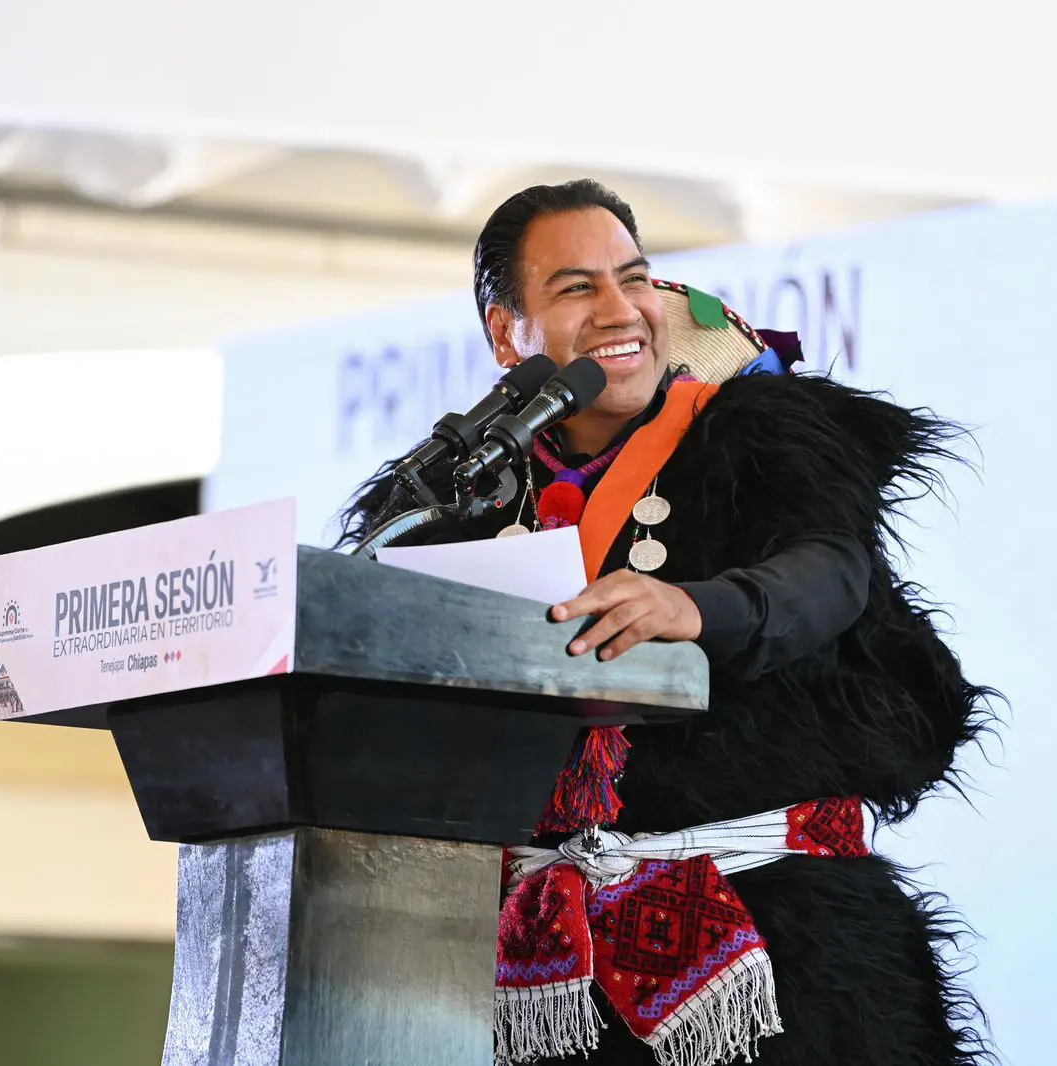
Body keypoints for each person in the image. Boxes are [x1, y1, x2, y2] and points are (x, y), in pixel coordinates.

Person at [337, 179, 998, 1066]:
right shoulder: (458, 497)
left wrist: (695, 607)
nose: (622, 310)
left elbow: (831, 572)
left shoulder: (759, 435)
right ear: (507, 334)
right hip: (538, 972)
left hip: (785, 947)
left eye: (635, 278)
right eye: (577, 288)